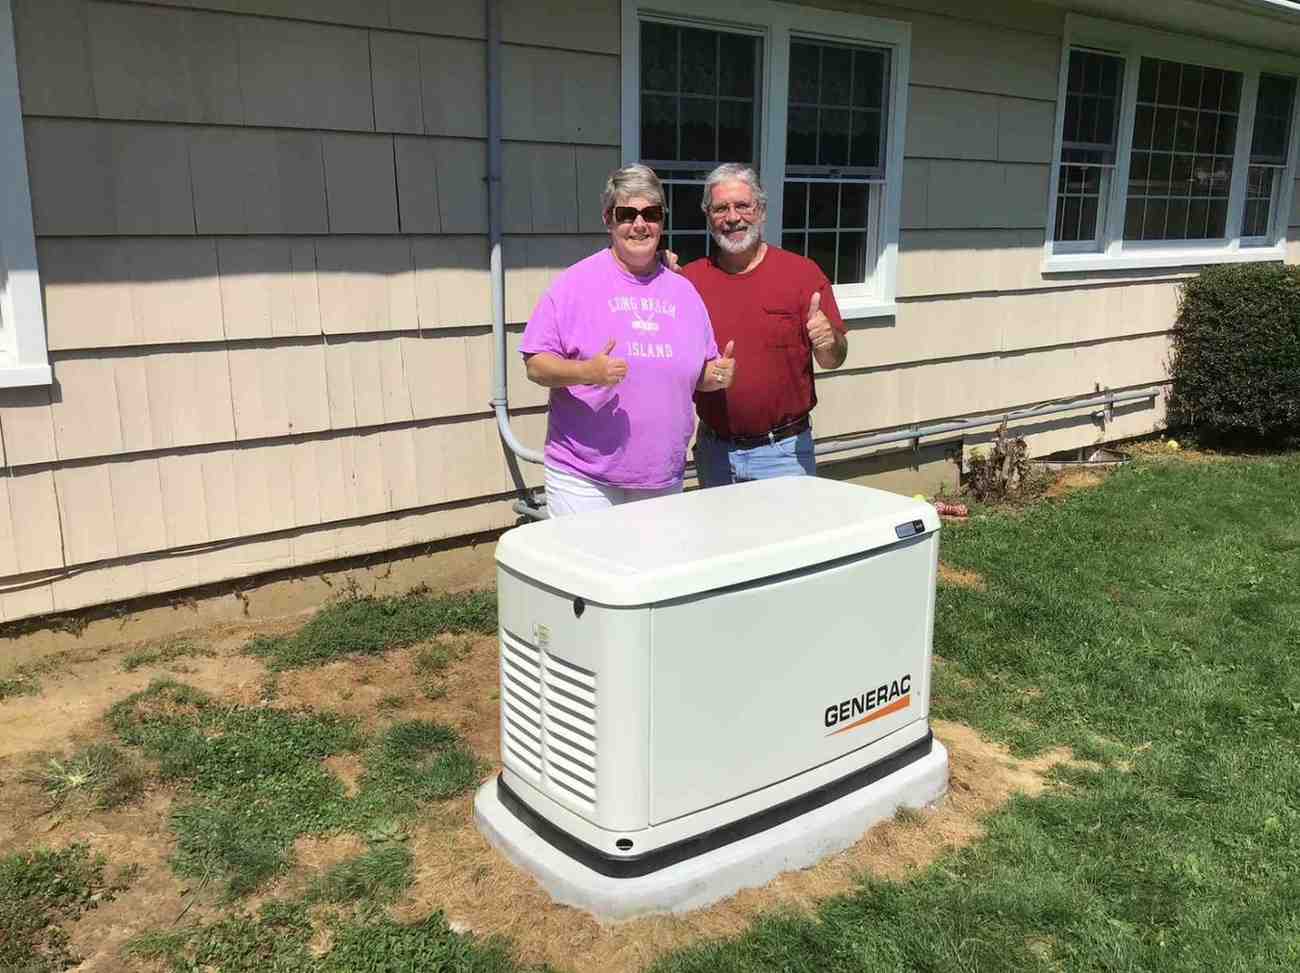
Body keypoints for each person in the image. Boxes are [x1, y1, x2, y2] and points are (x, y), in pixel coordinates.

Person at [520, 164, 736, 517]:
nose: (640, 224)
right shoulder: (575, 284)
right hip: (586, 479)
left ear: (662, 220)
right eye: (627, 214)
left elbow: (698, 374)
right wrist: (587, 371)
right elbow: (535, 365)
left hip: (662, 476)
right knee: (590, 571)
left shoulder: (684, 292)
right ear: (609, 219)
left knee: (654, 571)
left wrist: (717, 376)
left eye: (651, 214)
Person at [681, 163, 848, 486]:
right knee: (720, 538)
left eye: (743, 205)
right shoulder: (689, 281)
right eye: (720, 208)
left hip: (783, 454)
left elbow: (833, 359)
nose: (732, 217)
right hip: (715, 452)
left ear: (761, 211)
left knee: (790, 537)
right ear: (708, 217)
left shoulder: (802, 275)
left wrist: (828, 342)